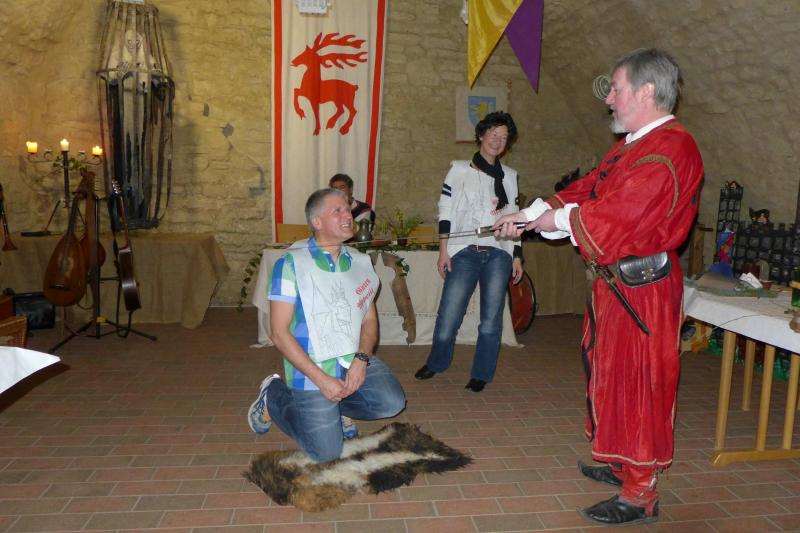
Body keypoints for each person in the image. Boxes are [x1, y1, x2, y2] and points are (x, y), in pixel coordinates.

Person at [495, 48, 704, 526]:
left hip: (643, 291)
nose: (609, 98)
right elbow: (591, 187)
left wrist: (552, 220)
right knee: (609, 377)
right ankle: (622, 463)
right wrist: (530, 214)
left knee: (639, 386)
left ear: (646, 92)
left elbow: (620, 214)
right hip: (618, 288)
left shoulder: (673, 149)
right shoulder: (633, 145)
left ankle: (640, 492)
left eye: (616, 88)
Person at [247, 188, 406, 462]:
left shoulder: (359, 263)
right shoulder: (291, 263)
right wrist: (321, 380)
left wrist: (361, 360)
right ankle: (274, 396)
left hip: (350, 357)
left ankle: (337, 408)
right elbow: (279, 333)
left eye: (348, 210)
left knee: (392, 402)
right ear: (317, 222)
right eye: (338, 211)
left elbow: (369, 320)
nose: (348, 216)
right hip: (311, 364)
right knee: (326, 452)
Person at [414, 111, 524, 393]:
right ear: (481, 135)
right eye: (493, 134)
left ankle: (481, 373)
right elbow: (446, 210)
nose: (497, 141)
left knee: (491, 319)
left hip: (499, 253)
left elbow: (516, 217)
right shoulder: (459, 169)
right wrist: (443, 250)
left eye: (503, 137)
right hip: (463, 250)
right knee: (450, 313)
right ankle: (438, 362)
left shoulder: (510, 176)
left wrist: (517, 255)